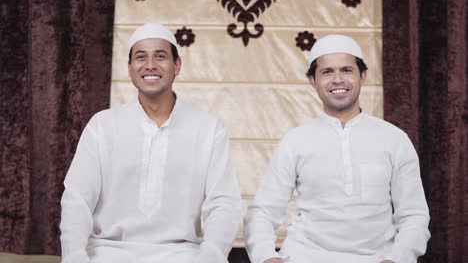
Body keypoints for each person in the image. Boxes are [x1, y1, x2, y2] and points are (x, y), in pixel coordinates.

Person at [60, 23, 241, 263]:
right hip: (107, 253)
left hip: (183, 255)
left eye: (161, 56)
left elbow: (223, 203)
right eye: (141, 57)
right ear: (129, 68)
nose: (150, 65)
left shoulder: (208, 128)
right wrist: (74, 257)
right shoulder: (102, 126)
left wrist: (211, 257)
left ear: (177, 66)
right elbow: (77, 199)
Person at [243, 35, 430, 263]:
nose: (338, 79)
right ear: (312, 80)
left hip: (378, 259)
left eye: (347, 70)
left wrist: (397, 259)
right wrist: (266, 257)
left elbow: (414, 216)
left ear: (363, 75)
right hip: (305, 257)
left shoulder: (394, 139)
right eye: (327, 72)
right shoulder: (295, 141)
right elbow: (262, 212)